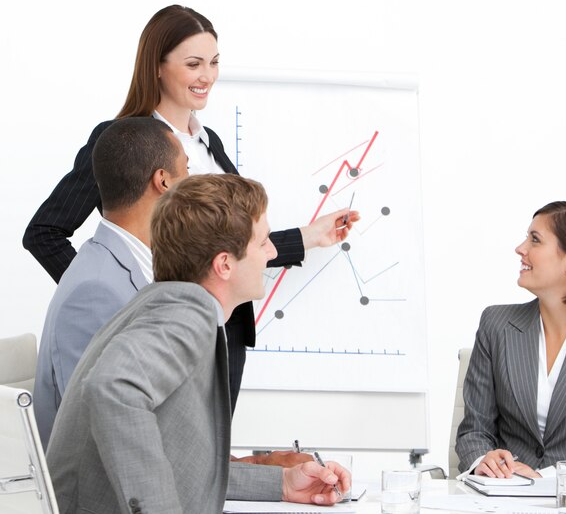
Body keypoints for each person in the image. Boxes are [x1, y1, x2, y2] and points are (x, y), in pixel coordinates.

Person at [23, 4, 358, 410]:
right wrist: (125, 304)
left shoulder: (208, 142)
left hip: (224, 332)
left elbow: (227, 247)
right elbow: (44, 233)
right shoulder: (125, 142)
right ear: (158, 67)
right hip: (164, 333)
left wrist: (310, 237)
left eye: (214, 63)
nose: (207, 76)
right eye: (194, 63)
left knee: (205, 462)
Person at [46, 173, 351, 514]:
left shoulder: (164, 303)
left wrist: (281, 483)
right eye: (263, 242)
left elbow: (183, 465)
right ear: (224, 264)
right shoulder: (188, 312)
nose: (272, 251)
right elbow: (113, 386)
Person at [33, 117, 189, 450]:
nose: (192, 183)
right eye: (186, 171)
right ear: (162, 180)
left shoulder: (128, 267)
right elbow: (108, 438)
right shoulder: (96, 291)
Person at [456, 201, 566, 487]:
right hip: (504, 496)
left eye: (535, 240)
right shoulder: (496, 323)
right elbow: (474, 430)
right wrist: (482, 460)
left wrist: (552, 477)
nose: (521, 248)